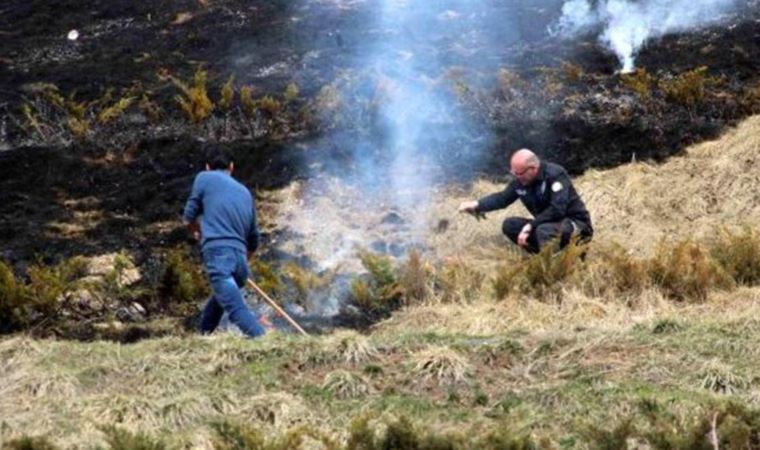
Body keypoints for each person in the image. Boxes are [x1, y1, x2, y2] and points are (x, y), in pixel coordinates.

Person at [183, 146, 268, 337]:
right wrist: (243, 260)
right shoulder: (245, 192)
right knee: (222, 298)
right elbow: (254, 238)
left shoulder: (204, 178)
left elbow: (188, 217)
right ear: (231, 167)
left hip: (218, 252)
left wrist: (197, 232)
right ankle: (203, 335)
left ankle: (261, 339)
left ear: (207, 166)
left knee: (236, 308)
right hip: (240, 259)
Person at [458, 149, 593, 254]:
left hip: (576, 225)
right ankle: (542, 257)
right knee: (510, 225)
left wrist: (531, 226)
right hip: (547, 226)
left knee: (543, 230)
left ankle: (554, 268)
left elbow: (557, 209)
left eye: (519, 173)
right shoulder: (521, 181)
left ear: (533, 168)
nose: (516, 177)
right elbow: (502, 199)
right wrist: (477, 204)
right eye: (514, 173)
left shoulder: (555, 174)